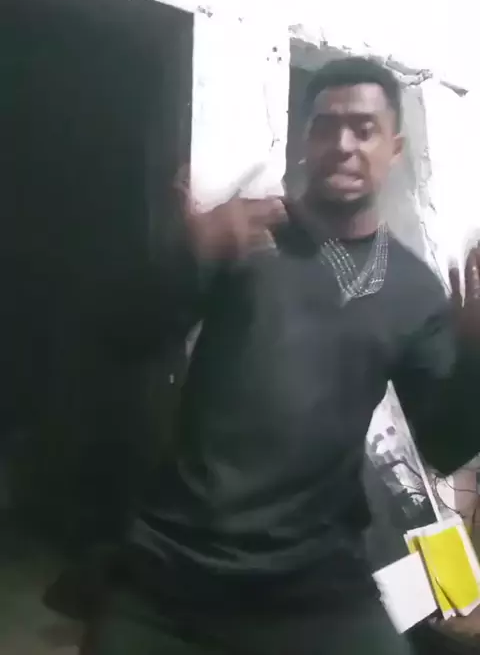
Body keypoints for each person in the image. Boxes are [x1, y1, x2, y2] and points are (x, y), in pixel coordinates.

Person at [83, 57, 480, 655]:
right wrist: (189, 253)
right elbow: (119, 339)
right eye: (326, 126)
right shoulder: (246, 232)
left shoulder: (415, 292)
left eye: (364, 129)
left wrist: (476, 357)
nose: (343, 144)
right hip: (174, 566)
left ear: (394, 149)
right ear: (303, 141)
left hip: (313, 584)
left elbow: (444, 448)